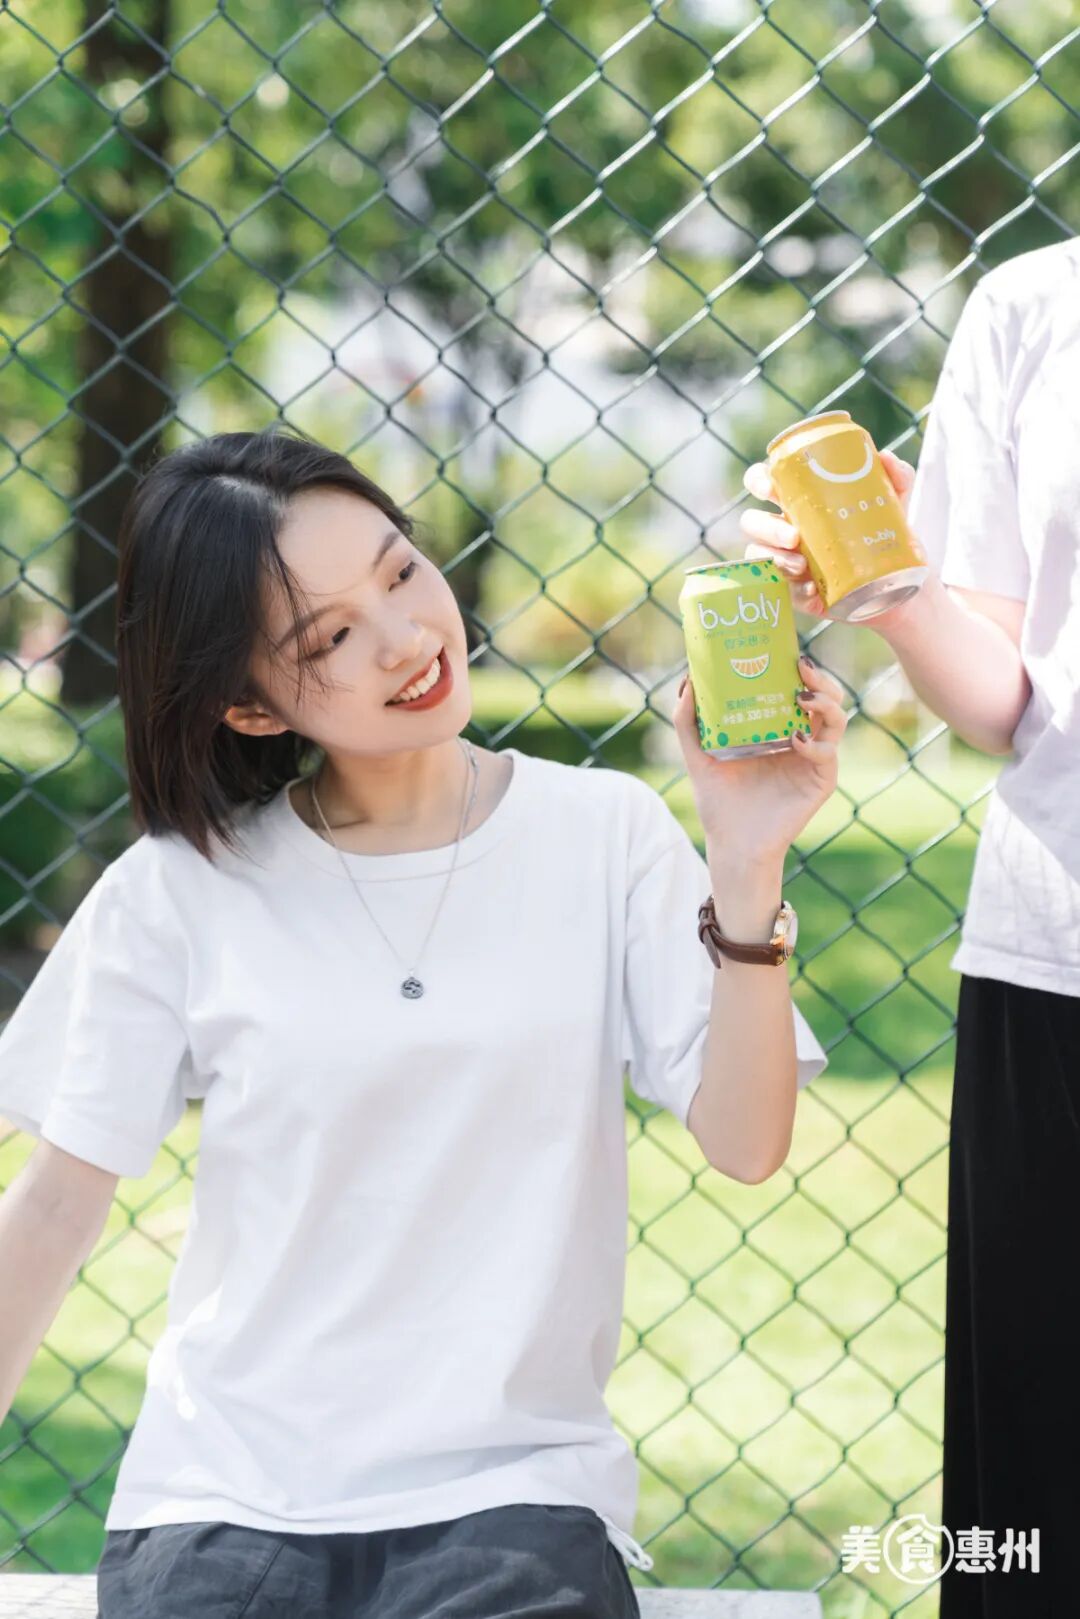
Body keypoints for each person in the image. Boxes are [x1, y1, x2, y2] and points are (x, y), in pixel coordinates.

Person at [0, 424, 843, 1618]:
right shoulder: (184, 886)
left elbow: (748, 1141)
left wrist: (747, 864)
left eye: (400, 572)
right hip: (227, 1493)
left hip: (512, 1496)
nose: (405, 638)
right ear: (247, 705)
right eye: (330, 636)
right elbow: (53, 1206)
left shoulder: (602, 832)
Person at [739, 238, 1080, 1618]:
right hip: (1060, 951)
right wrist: (895, 588)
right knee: (1041, 1499)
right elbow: (1012, 694)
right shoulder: (1034, 306)